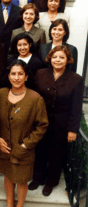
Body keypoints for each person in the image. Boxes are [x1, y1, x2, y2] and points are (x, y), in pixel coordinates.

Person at [0, 60, 48, 207]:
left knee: (21, 180)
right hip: (4, 148)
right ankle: (9, 204)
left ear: (26, 76)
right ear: (8, 76)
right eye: (13, 74)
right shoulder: (0, 94)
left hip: (23, 150)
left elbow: (42, 125)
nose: (16, 77)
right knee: (8, 176)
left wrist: (25, 145)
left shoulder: (35, 99)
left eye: (20, 74)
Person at [29, 46, 83, 196]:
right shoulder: (40, 74)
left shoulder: (76, 79)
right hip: (41, 121)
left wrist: (72, 129)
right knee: (40, 151)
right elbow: (33, 97)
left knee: (56, 154)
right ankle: (37, 178)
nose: (58, 60)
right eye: (55, 57)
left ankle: (50, 182)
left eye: (61, 57)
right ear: (50, 59)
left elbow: (76, 107)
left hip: (61, 124)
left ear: (67, 60)